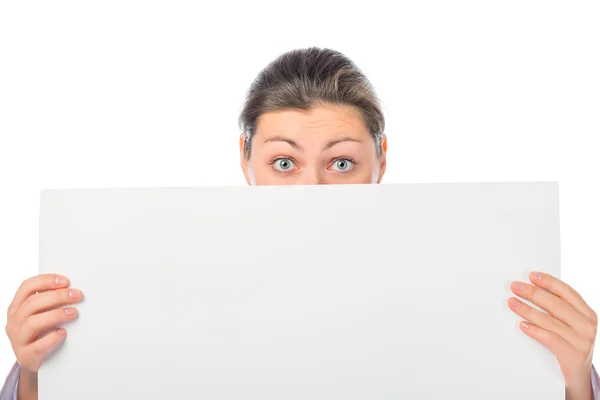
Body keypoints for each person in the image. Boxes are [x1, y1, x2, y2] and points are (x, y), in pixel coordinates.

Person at [1, 47, 598, 400]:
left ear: (381, 162)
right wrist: (33, 373)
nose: (312, 189)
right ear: (245, 161)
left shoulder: (460, 292)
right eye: (284, 162)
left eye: (342, 162)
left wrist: (574, 380)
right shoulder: (167, 289)